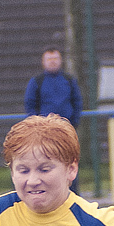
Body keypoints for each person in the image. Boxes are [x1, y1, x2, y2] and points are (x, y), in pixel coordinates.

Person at [24, 48, 84, 193]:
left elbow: (77, 102)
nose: (53, 62)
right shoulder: (37, 82)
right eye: (49, 59)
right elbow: (30, 105)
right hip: (44, 133)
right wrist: (38, 126)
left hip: (67, 130)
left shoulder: (69, 81)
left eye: (55, 59)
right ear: (43, 62)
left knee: (69, 161)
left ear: (60, 60)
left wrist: (72, 123)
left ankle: (73, 193)